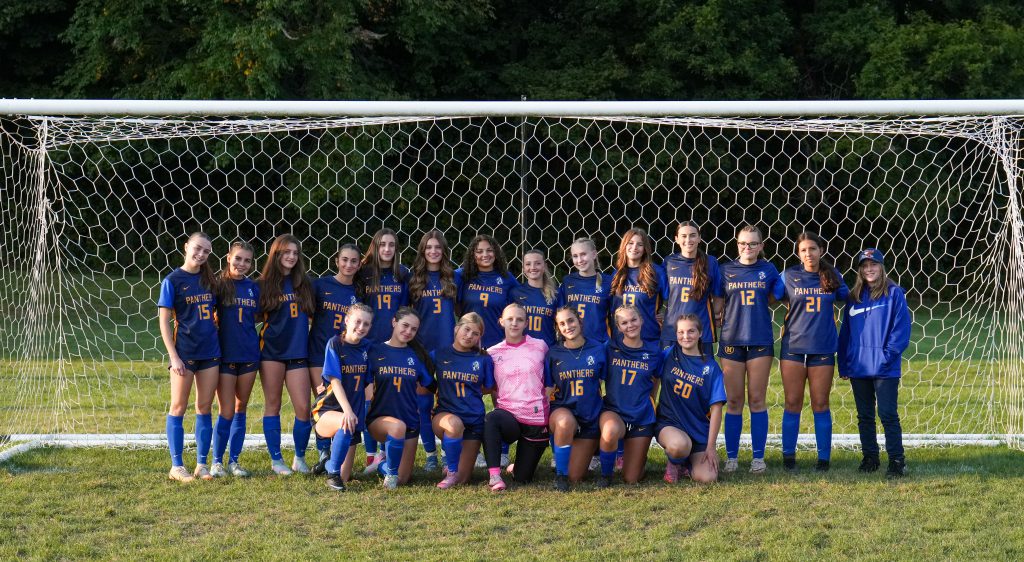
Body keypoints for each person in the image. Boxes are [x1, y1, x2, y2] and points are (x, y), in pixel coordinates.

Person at [838, 248, 911, 478]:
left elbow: (901, 330)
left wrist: (886, 357)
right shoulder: (853, 297)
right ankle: (870, 457)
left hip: (885, 367)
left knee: (888, 414)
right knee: (865, 416)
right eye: (865, 265)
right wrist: (844, 363)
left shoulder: (894, 293)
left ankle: (897, 461)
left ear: (881, 267)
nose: (869, 269)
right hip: (859, 366)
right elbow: (846, 333)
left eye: (874, 264)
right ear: (860, 269)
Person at [779, 232, 849, 472]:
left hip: (823, 349)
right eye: (803, 250)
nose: (808, 254)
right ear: (798, 254)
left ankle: (823, 459)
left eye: (812, 249)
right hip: (793, 348)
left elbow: (854, 298)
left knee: (820, 403)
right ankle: (788, 457)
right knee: (792, 402)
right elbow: (766, 297)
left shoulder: (833, 275)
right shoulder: (788, 276)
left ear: (821, 250)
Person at [718, 225, 784, 474]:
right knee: (734, 401)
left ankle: (758, 458)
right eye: (743, 243)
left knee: (757, 399)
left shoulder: (768, 270)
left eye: (753, 244)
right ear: (737, 244)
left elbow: (776, 296)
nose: (748, 248)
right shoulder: (725, 270)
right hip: (731, 341)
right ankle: (732, 458)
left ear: (761, 246)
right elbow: (717, 305)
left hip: (759, 341)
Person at [157, 232, 220, 482]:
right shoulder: (172, 280)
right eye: (197, 248)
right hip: (184, 354)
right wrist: (174, 357)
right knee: (178, 407)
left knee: (204, 407)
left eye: (206, 251)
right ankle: (177, 466)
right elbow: (163, 322)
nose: (201, 254)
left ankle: (202, 465)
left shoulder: (211, 281)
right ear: (186, 247)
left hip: (211, 353)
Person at [258, 234, 316, 476]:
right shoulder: (262, 285)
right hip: (271, 352)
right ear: (276, 254)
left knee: (303, 408)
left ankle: (299, 457)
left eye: (295, 252)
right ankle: (276, 460)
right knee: (273, 404)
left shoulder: (305, 283)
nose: (291, 257)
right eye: (286, 252)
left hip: (298, 352)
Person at [482, 303, 551, 491]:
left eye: (519, 319)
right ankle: (495, 476)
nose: (514, 323)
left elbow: (551, 377)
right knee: (491, 419)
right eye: (510, 319)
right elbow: (489, 387)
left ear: (526, 323)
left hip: (535, 419)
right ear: (501, 321)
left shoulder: (540, 346)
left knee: (522, 479)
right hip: (508, 416)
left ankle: (517, 467)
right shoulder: (493, 353)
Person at [365, 307, 436, 490]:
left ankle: (380, 465)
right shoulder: (375, 351)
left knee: (403, 478)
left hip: (410, 422)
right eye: (405, 325)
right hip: (380, 419)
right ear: (394, 322)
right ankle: (388, 469)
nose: (408, 331)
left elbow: (432, 385)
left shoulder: (416, 357)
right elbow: (356, 379)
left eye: (413, 329)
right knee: (396, 428)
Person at [359, 229, 410, 474]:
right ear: (375, 247)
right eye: (382, 245)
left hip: (392, 346)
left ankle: (383, 452)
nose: (387, 249)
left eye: (391, 245)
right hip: (368, 344)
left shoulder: (403, 274)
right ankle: (371, 456)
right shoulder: (364, 273)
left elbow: (405, 311)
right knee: (369, 398)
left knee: (388, 397)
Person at [408, 229, 459, 472]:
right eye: (429, 247)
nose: (433, 251)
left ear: (444, 250)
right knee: (423, 404)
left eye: (437, 247)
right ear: (422, 250)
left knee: (450, 403)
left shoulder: (454, 277)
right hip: (422, 349)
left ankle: (449, 451)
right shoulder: (413, 278)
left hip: (448, 349)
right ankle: (430, 455)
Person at [308, 243, 362, 470]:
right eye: (344, 260)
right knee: (323, 401)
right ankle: (323, 453)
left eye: (353, 261)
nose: (348, 265)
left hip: (346, 358)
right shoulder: (320, 285)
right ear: (337, 261)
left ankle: (335, 457)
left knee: (342, 404)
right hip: (319, 353)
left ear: (359, 265)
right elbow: (308, 314)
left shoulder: (358, 292)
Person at [656, 314, 726, 484]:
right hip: (670, 424)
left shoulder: (711, 367)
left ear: (700, 333)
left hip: (698, 429)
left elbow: (716, 410)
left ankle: (686, 464)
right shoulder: (668, 355)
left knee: (708, 477)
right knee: (679, 445)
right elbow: (652, 380)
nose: (685, 336)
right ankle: (675, 463)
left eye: (691, 331)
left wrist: (711, 447)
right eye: (681, 332)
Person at [210, 241, 260, 478]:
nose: (242, 264)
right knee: (226, 409)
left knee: (241, 408)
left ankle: (234, 461)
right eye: (238, 258)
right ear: (228, 257)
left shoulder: (254, 288)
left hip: (250, 354)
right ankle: (216, 462)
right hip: (225, 355)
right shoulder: (218, 285)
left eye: (247, 260)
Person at [598, 305, 663, 486]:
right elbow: (596, 378)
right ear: (618, 327)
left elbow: (655, 382)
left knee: (631, 478)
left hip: (641, 417)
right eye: (624, 323)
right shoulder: (609, 348)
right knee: (610, 430)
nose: (630, 325)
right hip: (614, 411)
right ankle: (606, 475)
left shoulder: (654, 352)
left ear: (641, 320)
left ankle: (636, 459)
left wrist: (649, 402)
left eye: (633, 320)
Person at [312, 303, 374, 491]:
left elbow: (370, 382)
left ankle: (329, 463)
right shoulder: (335, 344)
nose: (361, 327)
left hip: (353, 416)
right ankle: (332, 474)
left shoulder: (368, 348)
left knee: (345, 476)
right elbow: (335, 382)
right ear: (347, 320)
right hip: (327, 410)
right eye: (357, 321)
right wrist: (347, 411)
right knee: (345, 423)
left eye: (366, 324)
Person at [431, 312, 495, 489]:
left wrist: (470, 391)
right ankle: (450, 469)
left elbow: (489, 387)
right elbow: (423, 381)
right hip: (445, 416)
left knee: (462, 479)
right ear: (456, 328)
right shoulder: (439, 354)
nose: (469, 336)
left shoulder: (483, 359)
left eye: (475, 334)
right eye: (466, 330)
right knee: (454, 424)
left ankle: (453, 467)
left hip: (473, 421)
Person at [547, 306, 607, 491]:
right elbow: (547, 389)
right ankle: (560, 476)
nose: (568, 326)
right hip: (563, 410)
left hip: (589, 417)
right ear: (558, 328)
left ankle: (569, 469)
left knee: (576, 476)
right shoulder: (553, 353)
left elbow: (609, 382)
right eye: (562, 323)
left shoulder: (598, 348)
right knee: (564, 422)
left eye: (571, 320)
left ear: (580, 321)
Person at [661, 221, 724, 350]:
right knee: (670, 369)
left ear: (699, 238)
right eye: (683, 236)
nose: (688, 239)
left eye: (693, 235)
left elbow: (718, 294)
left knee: (701, 369)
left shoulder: (710, 262)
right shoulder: (669, 262)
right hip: (672, 329)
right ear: (677, 239)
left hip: (701, 330)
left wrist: (715, 314)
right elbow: (661, 292)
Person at [457, 234, 519, 349]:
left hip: (497, 344)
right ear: (473, 255)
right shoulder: (463, 275)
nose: (485, 255)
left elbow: (524, 298)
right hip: (468, 342)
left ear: (496, 253)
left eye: (489, 250)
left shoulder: (506, 278)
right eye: (480, 251)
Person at [610, 228, 668, 345]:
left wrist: (665, 314)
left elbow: (673, 298)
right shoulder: (616, 274)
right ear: (624, 246)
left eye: (640, 244)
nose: (634, 247)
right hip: (620, 339)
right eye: (630, 243)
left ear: (645, 249)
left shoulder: (656, 272)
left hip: (648, 337)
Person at [558, 237, 615, 344]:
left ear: (594, 254)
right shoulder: (568, 281)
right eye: (575, 256)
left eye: (583, 254)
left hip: (599, 344)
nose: (579, 260)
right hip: (573, 342)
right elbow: (561, 313)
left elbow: (616, 314)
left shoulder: (608, 282)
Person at [509, 249, 557, 346]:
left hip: (547, 349)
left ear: (544, 266)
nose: (533, 267)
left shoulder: (556, 293)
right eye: (528, 264)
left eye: (537, 263)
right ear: (523, 268)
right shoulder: (515, 293)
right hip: (522, 349)